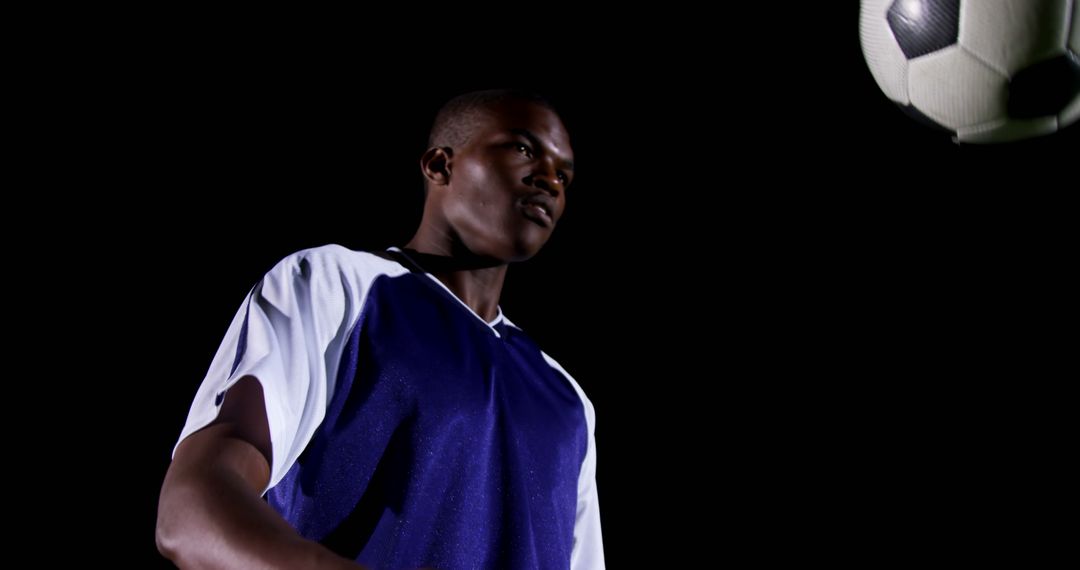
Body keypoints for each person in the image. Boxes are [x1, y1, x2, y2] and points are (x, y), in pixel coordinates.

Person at [155, 89, 604, 569]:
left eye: (564, 174)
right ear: (439, 165)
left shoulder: (569, 400)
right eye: (522, 149)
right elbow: (194, 503)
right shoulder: (337, 285)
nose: (550, 180)